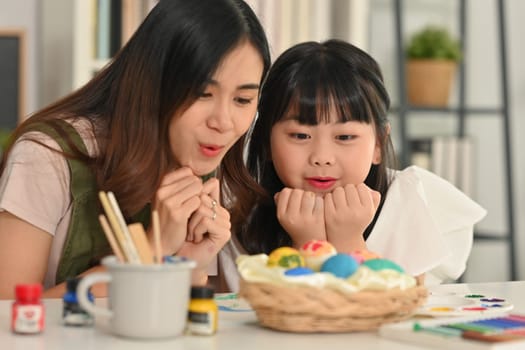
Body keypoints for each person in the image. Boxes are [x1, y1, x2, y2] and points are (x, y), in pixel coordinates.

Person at [0, 0, 271, 299]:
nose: (223, 122)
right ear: (153, 81)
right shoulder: (47, 155)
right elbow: (8, 317)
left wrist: (189, 262)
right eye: (202, 94)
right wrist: (153, 250)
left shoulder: (203, 157)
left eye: (243, 100)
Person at [213, 39, 486, 291]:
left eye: (344, 137)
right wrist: (308, 243)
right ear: (266, 142)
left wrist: (347, 240)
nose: (322, 156)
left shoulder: (411, 200)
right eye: (300, 136)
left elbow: (394, 309)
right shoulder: (239, 216)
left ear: (378, 144)